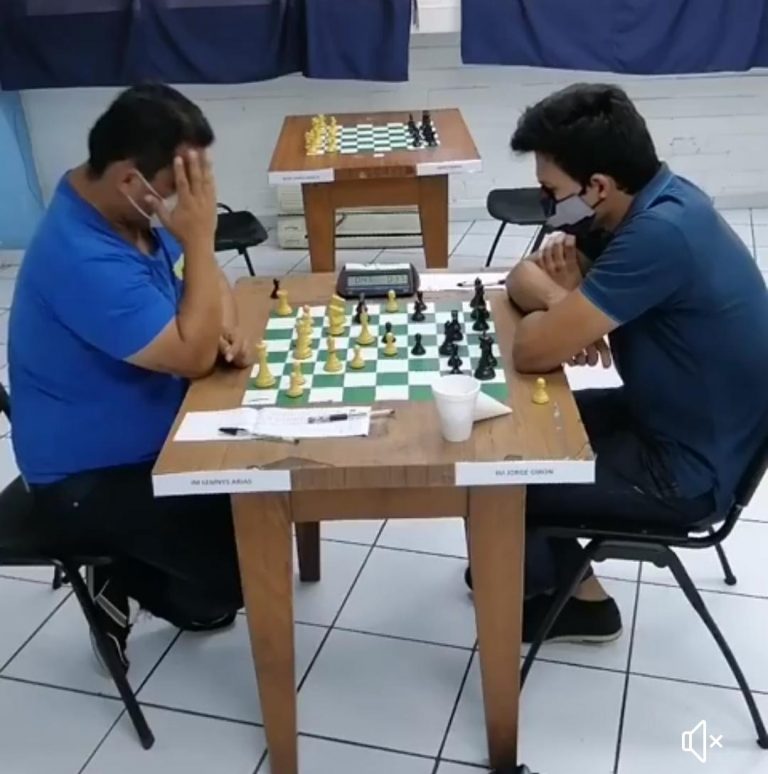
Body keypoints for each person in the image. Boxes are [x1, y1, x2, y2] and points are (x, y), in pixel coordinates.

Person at [470, 83, 768, 643]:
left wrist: (564, 319)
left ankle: (582, 603)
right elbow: (521, 276)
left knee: (499, 478)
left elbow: (530, 350)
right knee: (510, 429)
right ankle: (525, 556)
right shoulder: (649, 202)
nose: (546, 207)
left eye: (550, 193)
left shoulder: (658, 236)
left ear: (598, 186)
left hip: (684, 470)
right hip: (663, 419)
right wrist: (567, 304)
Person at [9, 84, 254, 671]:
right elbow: (192, 355)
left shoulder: (129, 211)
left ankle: (137, 559)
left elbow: (210, 283)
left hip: (163, 432)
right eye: (175, 189)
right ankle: (113, 572)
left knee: (259, 506)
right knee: (234, 581)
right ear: (128, 179)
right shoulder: (80, 254)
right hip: (88, 479)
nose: (185, 203)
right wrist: (200, 242)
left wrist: (222, 326)